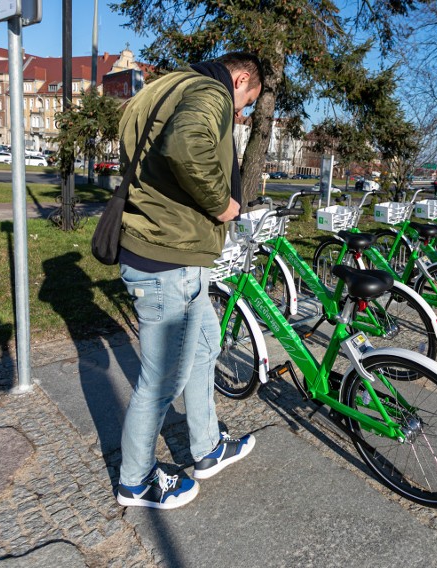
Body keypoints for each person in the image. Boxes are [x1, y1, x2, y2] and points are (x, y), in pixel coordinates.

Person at [114, 52, 264, 510]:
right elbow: (185, 146)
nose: (243, 113)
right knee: (161, 380)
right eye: (249, 101)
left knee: (204, 345)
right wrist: (222, 204)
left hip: (172, 250)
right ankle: (134, 483)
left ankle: (207, 449)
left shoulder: (161, 88)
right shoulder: (209, 92)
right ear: (240, 79)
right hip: (167, 259)